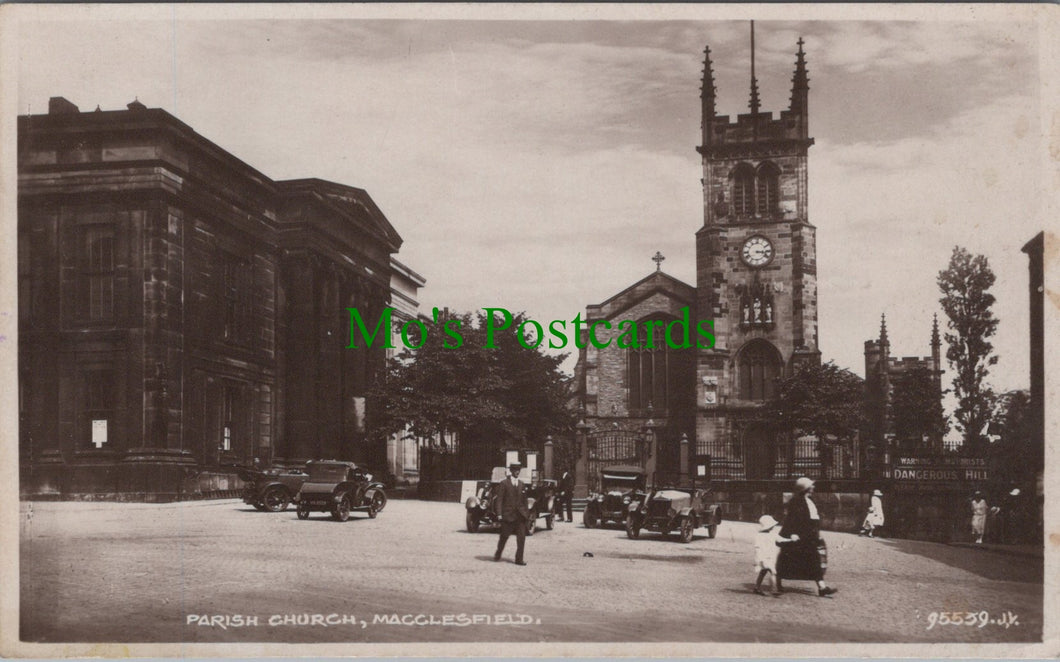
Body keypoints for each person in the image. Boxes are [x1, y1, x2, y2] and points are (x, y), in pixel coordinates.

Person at [777, 476, 837, 597]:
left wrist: (817, 533)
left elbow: (814, 518)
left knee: (814, 560)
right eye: (811, 486)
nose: (813, 487)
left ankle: (822, 587)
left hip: (810, 536)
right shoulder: (796, 501)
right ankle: (777, 581)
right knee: (788, 559)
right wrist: (792, 533)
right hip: (799, 535)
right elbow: (791, 519)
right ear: (805, 488)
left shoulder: (810, 500)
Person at [494, 462, 530, 565]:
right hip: (508, 516)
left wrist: (526, 514)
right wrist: (499, 514)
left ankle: (519, 559)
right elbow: (499, 500)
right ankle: (498, 552)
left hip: (520, 516)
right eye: (515, 470)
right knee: (504, 537)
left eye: (518, 470)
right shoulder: (504, 483)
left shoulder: (522, 484)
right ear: (511, 471)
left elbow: (525, 501)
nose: (517, 472)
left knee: (521, 538)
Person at [753, 514, 797, 597]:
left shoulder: (772, 534)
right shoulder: (759, 536)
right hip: (763, 558)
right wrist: (759, 559)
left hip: (770, 557)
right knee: (773, 572)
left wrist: (791, 540)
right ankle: (774, 590)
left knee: (763, 572)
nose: (773, 527)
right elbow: (757, 548)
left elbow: (781, 540)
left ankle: (757, 587)